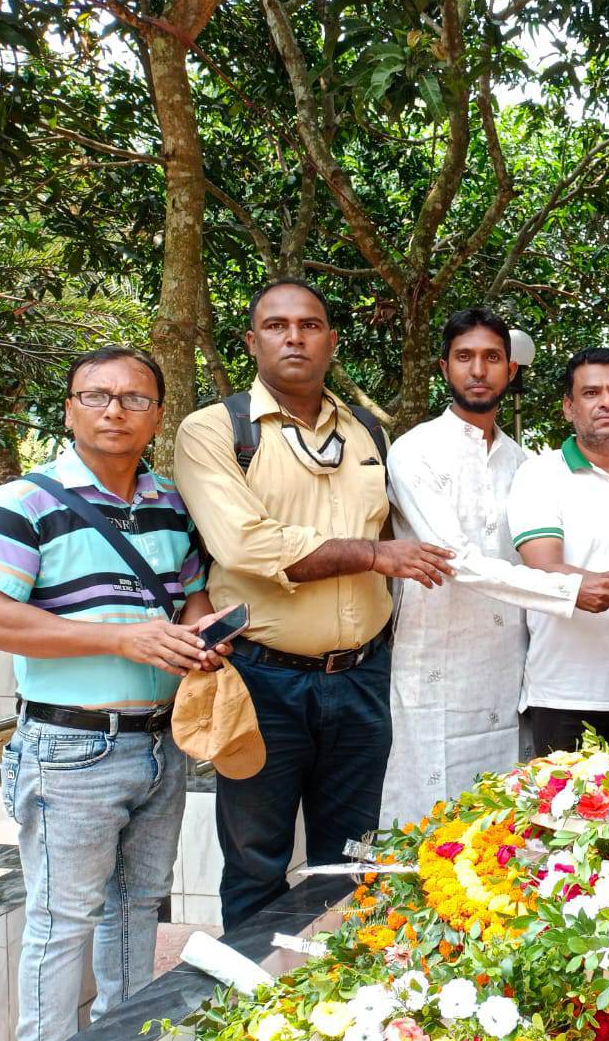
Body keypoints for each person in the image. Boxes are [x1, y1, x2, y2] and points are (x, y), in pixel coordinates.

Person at [0, 346, 228, 1041]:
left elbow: (190, 593)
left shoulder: (170, 501)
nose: (115, 411)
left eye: (135, 398)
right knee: (62, 922)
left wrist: (203, 630)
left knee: (138, 910)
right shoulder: (26, 502)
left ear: (158, 413)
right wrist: (120, 642)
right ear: (71, 407)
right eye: (97, 396)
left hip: (159, 742)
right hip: (69, 746)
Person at [174, 278, 456, 928]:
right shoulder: (213, 431)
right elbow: (246, 544)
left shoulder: (365, 434)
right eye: (276, 326)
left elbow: (400, 531)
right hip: (262, 679)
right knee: (256, 858)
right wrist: (372, 556)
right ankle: (254, 1016)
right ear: (251, 342)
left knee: (351, 859)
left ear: (331, 340)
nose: (293, 336)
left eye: (309, 325)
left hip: (360, 678)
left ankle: (338, 1005)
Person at [380, 309, 609, 825]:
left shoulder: (525, 463)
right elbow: (451, 557)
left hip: (508, 660)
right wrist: (570, 593)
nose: (478, 370)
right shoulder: (414, 452)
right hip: (435, 655)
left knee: (505, 814)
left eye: (492, 358)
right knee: (429, 812)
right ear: (444, 369)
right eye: (465, 358)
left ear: (511, 370)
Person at [507, 347, 609, 753]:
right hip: (567, 695)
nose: (607, 402)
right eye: (591, 393)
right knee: (565, 816)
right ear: (568, 407)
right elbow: (544, 568)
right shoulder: (540, 474)